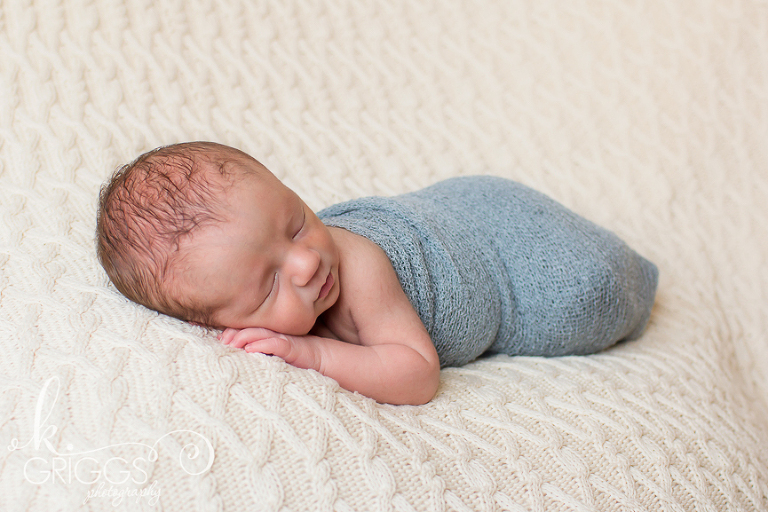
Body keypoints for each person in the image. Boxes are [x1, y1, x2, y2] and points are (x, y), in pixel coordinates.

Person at [96, 141, 658, 405]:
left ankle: (636, 277)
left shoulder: (359, 266)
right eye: (268, 284)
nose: (307, 260)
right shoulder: (252, 285)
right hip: (460, 217)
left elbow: (416, 373)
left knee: (589, 291)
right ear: (219, 322)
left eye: (295, 223)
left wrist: (313, 353)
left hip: (489, 247)